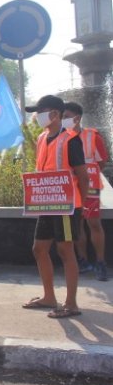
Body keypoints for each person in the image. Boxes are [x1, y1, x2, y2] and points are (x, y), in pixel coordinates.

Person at [22, 95, 88, 318]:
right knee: (39, 249)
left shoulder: (71, 140)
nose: (36, 116)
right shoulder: (42, 138)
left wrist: (84, 203)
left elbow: (82, 174)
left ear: (54, 115)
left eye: (40, 112)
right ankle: (49, 297)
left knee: (65, 250)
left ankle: (71, 304)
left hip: (68, 206)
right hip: (47, 204)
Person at [63, 102, 109, 281]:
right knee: (77, 225)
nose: (64, 119)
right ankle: (82, 260)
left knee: (94, 224)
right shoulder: (62, 137)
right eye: (63, 116)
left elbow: (102, 161)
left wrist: (88, 174)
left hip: (89, 185)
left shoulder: (92, 136)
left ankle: (100, 262)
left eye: (67, 116)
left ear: (77, 118)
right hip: (71, 187)